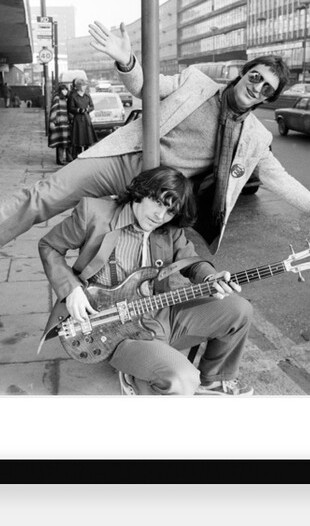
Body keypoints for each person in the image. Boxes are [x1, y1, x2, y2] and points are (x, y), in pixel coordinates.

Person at [0, 20, 310, 270]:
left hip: (163, 195)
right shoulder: (195, 83)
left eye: (267, 89)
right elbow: (146, 87)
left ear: (269, 99)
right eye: (255, 76)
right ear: (243, 74)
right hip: (124, 161)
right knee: (44, 195)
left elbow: (281, 181)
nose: (257, 87)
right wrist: (126, 60)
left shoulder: (256, 138)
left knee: (161, 266)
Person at [39, 165, 253, 395]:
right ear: (142, 192)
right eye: (158, 202)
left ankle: (212, 378)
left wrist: (211, 277)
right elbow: (49, 245)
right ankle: (139, 373)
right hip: (117, 330)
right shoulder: (94, 213)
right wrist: (71, 289)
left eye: (170, 212)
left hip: (158, 314)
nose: (160, 216)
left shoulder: (169, 229)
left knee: (239, 309)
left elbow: (190, 260)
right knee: (182, 380)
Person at [67, 77, 97, 155]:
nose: (84, 87)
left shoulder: (87, 95)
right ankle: (78, 154)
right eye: (82, 85)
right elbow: (70, 108)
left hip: (86, 118)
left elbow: (92, 106)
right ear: (78, 86)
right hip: (78, 119)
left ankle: (86, 154)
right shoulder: (73, 96)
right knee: (78, 139)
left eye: (85, 85)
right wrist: (78, 110)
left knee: (88, 139)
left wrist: (87, 109)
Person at [48, 83, 72, 165]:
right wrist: (52, 121)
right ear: (60, 90)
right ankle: (60, 160)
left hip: (65, 123)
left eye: (66, 89)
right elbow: (54, 110)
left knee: (65, 141)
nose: (65, 91)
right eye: (63, 90)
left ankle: (65, 158)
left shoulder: (65, 99)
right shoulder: (57, 98)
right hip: (59, 123)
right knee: (60, 142)